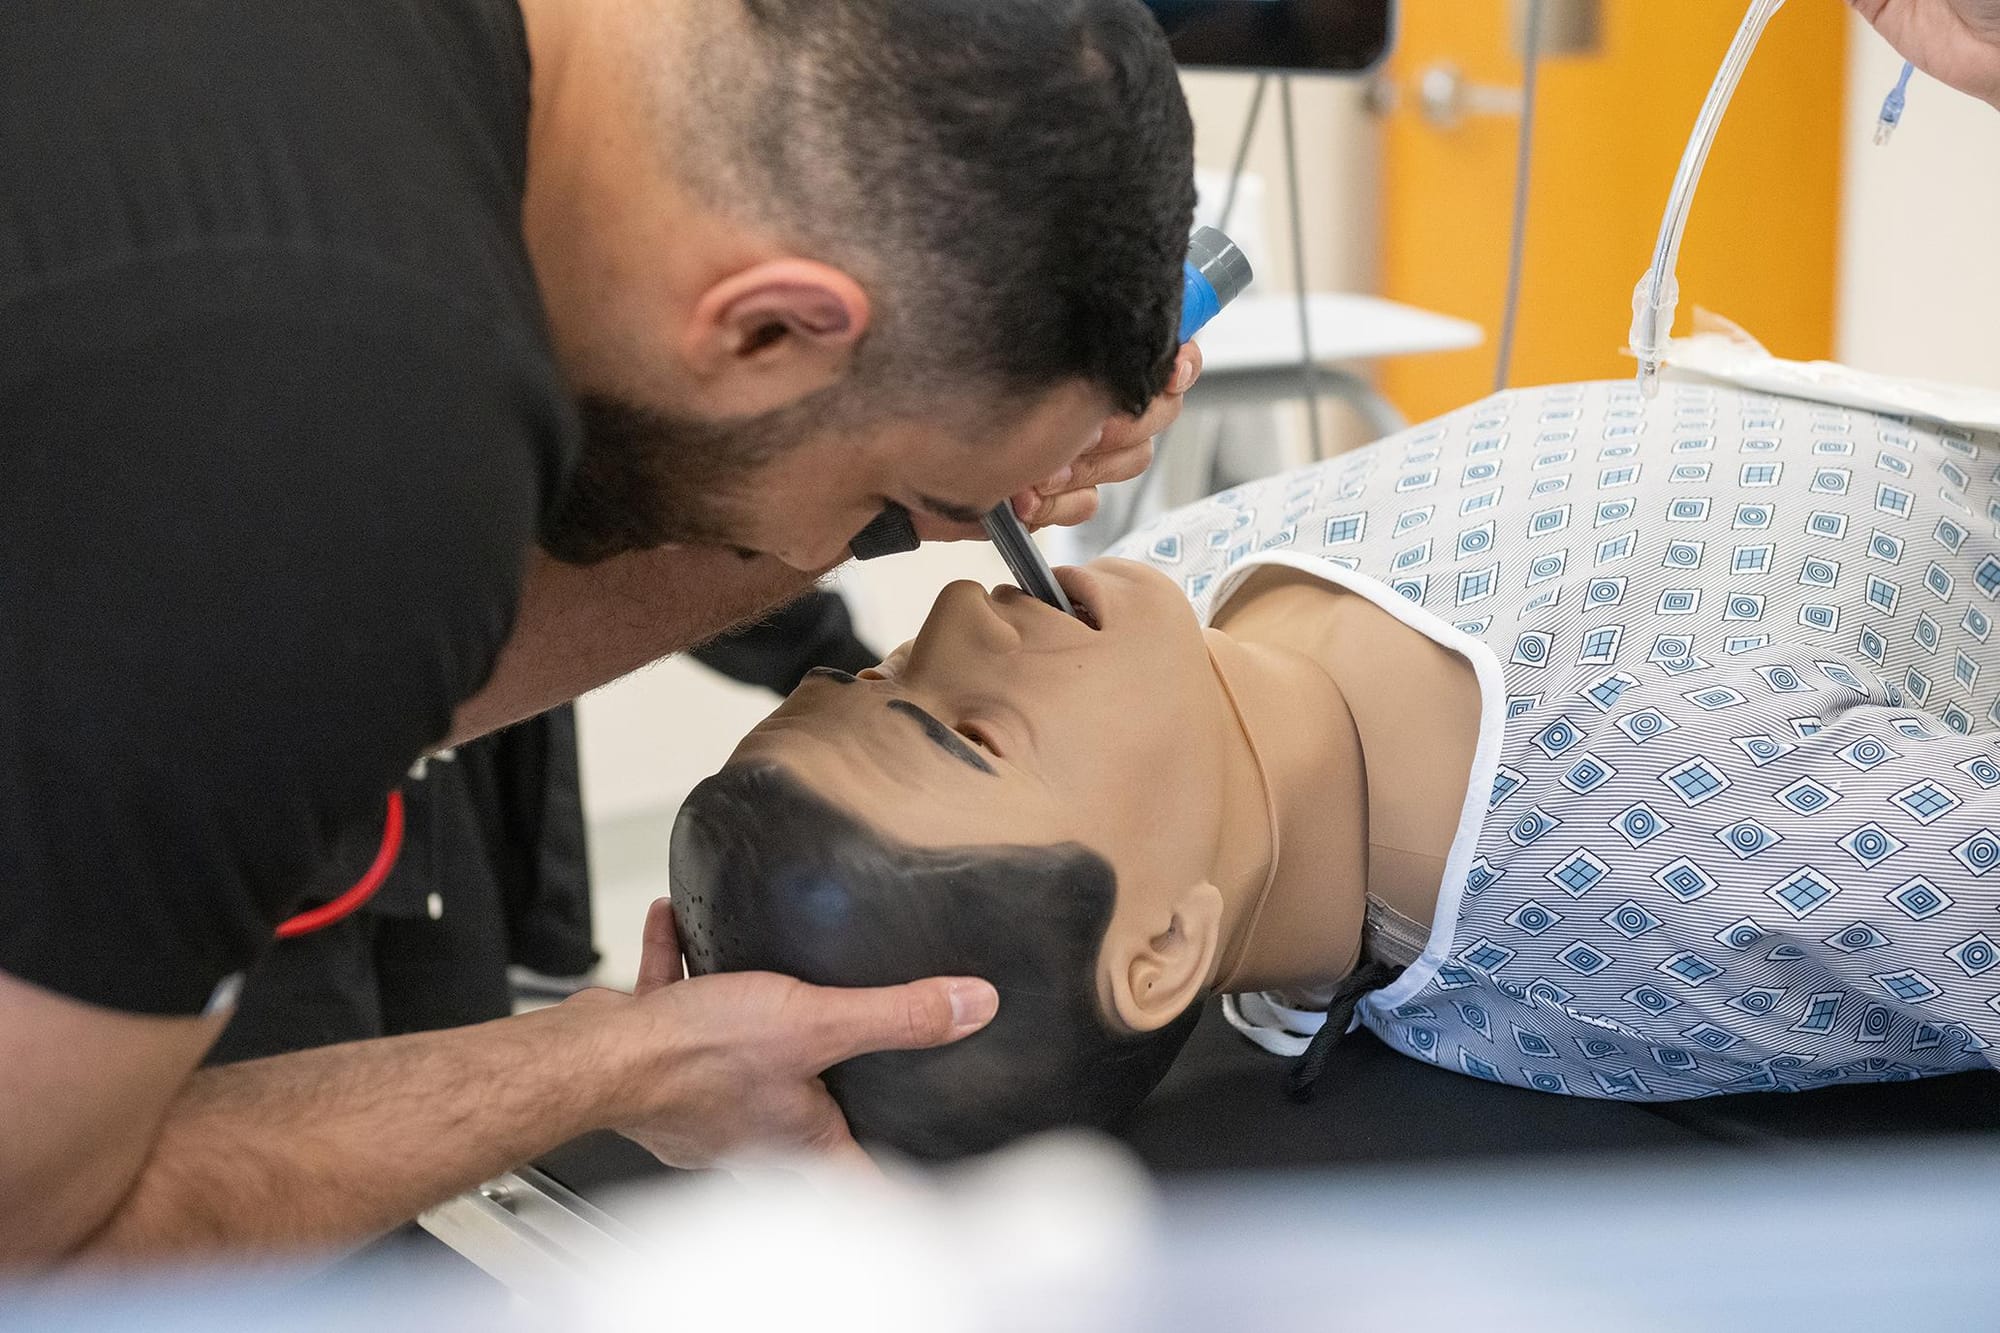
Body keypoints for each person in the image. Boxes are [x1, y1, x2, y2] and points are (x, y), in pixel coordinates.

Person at [0, 0, 1203, 1264]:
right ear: (769, 327)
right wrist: (618, 1066)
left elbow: (296, 671)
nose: (963, 604)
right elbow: (30, 1226)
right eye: (888, 501)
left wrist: (905, 490)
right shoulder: (328, 409)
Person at [675, 378, 2000, 1159]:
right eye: (969, 731)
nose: (963, 618)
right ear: (1157, 953)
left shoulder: (1182, 596)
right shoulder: (1698, 838)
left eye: (880, 667)